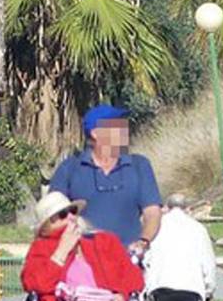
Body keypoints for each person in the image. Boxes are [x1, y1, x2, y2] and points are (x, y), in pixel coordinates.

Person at [48, 105, 162, 259]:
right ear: (95, 133)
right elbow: (53, 215)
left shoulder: (139, 165)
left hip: (128, 261)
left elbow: (152, 212)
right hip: (82, 262)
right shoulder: (70, 168)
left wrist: (143, 241)